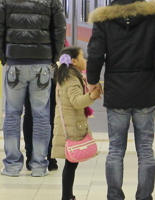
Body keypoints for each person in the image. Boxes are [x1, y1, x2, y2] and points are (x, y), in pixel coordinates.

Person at [87, 0, 155, 200]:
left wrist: (92, 82)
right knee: (146, 150)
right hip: (146, 90)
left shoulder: (104, 20)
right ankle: (144, 196)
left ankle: (115, 196)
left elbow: (96, 53)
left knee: (116, 149)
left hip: (117, 90)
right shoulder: (154, 16)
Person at [0, 0, 65, 177]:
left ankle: (13, 165)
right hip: (42, 65)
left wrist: (4, 57)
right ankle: (39, 165)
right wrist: (53, 58)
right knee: (42, 116)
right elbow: (59, 30)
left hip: (14, 64)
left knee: (13, 115)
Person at [52, 46, 102, 200]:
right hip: (71, 126)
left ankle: (68, 195)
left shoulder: (70, 75)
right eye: (82, 57)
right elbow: (76, 101)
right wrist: (91, 96)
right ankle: (66, 197)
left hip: (69, 123)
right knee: (71, 163)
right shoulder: (71, 79)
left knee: (71, 164)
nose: (85, 59)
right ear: (74, 61)